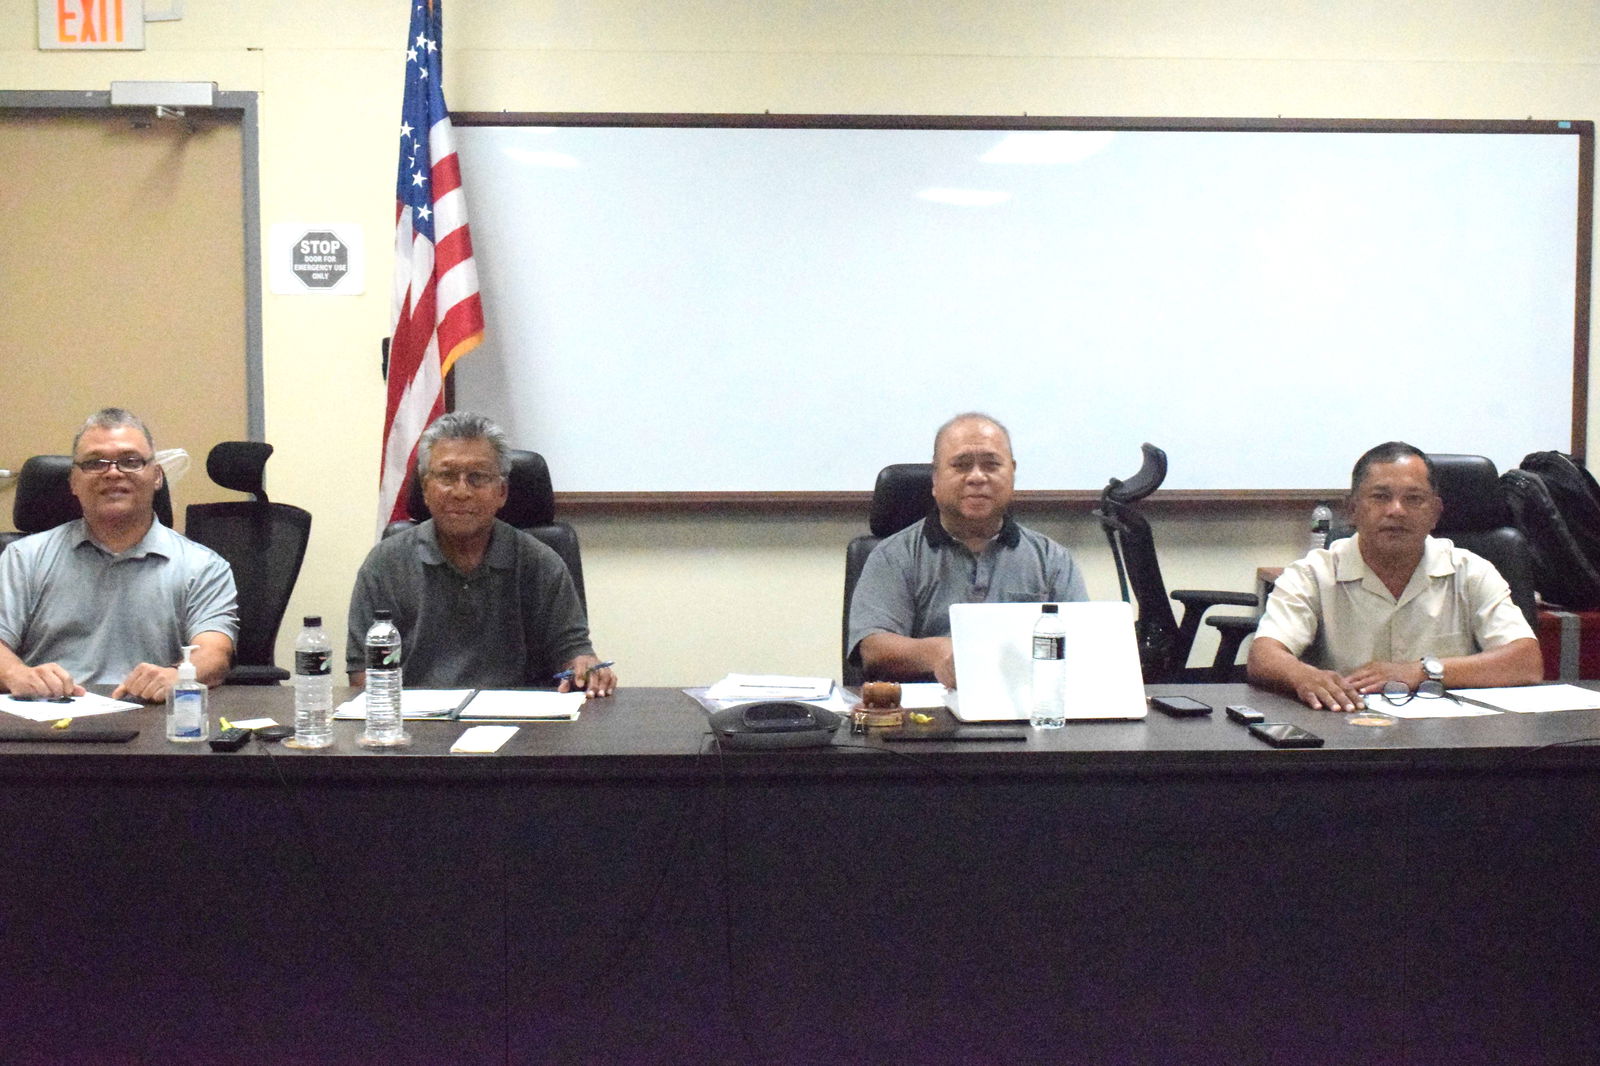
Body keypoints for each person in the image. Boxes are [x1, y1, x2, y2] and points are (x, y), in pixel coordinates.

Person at [1248, 441, 1542, 711]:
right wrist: (1304, 676)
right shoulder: (1314, 573)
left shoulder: (1471, 571)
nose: (1396, 511)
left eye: (1413, 499)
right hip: (1347, 728)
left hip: (1450, 737)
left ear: (1436, 512)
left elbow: (1526, 661)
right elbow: (1264, 655)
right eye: (1380, 497)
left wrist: (1420, 671)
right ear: (1353, 509)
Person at [345, 412, 616, 696]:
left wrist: (586, 667)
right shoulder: (385, 564)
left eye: (477, 478)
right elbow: (365, 677)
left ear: (501, 492)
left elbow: (574, 653)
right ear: (425, 489)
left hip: (523, 730)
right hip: (417, 728)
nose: (461, 492)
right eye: (447, 476)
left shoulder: (541, 563)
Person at [0, 408, 238, 701]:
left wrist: (178, 676)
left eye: (130, 461)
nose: (113, 473)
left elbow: (214, 654)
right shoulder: (23, 558)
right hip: (45, 722)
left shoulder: (203, 566)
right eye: (95, 463)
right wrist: (16, 674)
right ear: (73, 481)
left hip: (151, 720)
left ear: (157, 476)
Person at [847, 412, 1088, 687]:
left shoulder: (1051, 559)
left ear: (1012, 473)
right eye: (961, 465)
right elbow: (873, 648)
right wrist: (939, 653)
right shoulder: (894, 555)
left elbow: (1083, 645)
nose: (977, 477)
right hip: (925, 718)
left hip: (1027, 709)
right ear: (935, 480)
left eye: (991, 464)